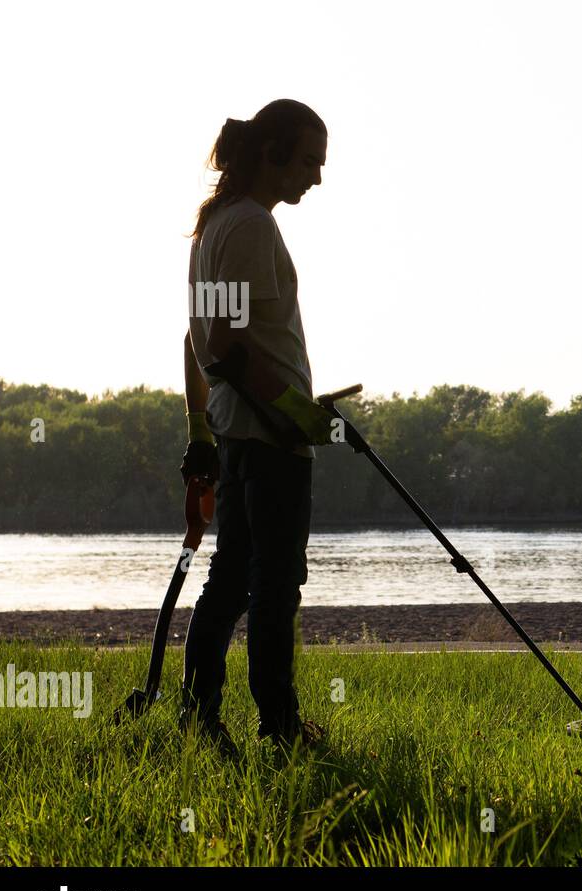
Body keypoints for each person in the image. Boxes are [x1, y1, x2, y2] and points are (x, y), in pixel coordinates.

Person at [179, 98, 336, 758]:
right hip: (270, 443)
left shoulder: (216, 225)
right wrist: (301, 415)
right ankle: (280, 730)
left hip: (243, 436)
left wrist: (201, 435)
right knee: (275, 586)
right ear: (270, 153)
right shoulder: (249, 228)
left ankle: (200, 716)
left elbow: (200, 345)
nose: (316, 177)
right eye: (307, 161)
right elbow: (223, 346)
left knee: (232, 580)